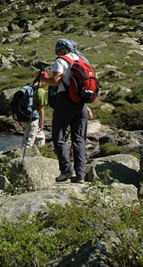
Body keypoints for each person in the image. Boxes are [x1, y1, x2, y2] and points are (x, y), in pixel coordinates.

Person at [41, 39, 90, 184]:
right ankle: (80, 174)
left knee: (58, 136)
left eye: (57, 50)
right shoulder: (82, 60)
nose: (56, 52)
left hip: (65, 100)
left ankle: (67, 169)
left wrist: (43, 79)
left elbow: (56, 81)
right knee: (79, 138)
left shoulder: (61, 60)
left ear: (62, 50)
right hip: (81, 103)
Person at [19, 71, 48, 148]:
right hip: (33, 118)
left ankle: (39, 154)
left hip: (24, 116)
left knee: (40, 137)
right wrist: (42, 123)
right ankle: (24, 157)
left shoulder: (28, 89)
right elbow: (41, 108)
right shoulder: (40, 91)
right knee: (29, 142)